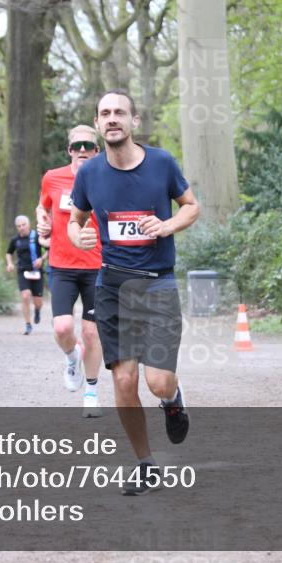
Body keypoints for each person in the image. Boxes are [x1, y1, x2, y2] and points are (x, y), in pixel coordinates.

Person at [69, 90, 200, 495]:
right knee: (124, 382)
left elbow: (191, 206)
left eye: (119, 113)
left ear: (134, 121)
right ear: (98, 122)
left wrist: (167, 226)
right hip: (113, 285)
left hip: (158, 284)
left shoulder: (161, 163)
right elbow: (76, 220)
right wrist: (79, 237)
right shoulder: (89, 174)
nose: (112, 119)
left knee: (157, 382)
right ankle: (145, 464)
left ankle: (172, 399)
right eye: (105, 113)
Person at [36, 125, 104, 417]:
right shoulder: (53, 177)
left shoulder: (108, 178)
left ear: (97, 151)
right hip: (62, 265)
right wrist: (42, 224)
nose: (83, 151)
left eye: (88, 146)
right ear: (69, 151)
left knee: (91, 332)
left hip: (97, 266)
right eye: (77, 146)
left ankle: (91, 390)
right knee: (63, 328)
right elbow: (42, 207)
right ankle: (71, 356)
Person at [5, 214, 44, 335]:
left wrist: (41, 259)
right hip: (23, 271)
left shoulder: (36, 236)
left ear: (28, 224)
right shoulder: (15, 240)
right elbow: (9, 253)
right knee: (25, 295)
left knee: (38, 301)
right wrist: (10, 263)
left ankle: (37, 310)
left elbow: (49, 250)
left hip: (36, 271)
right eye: (18, 226)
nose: (21, 228)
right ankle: (28, 324)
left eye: (23, 225)